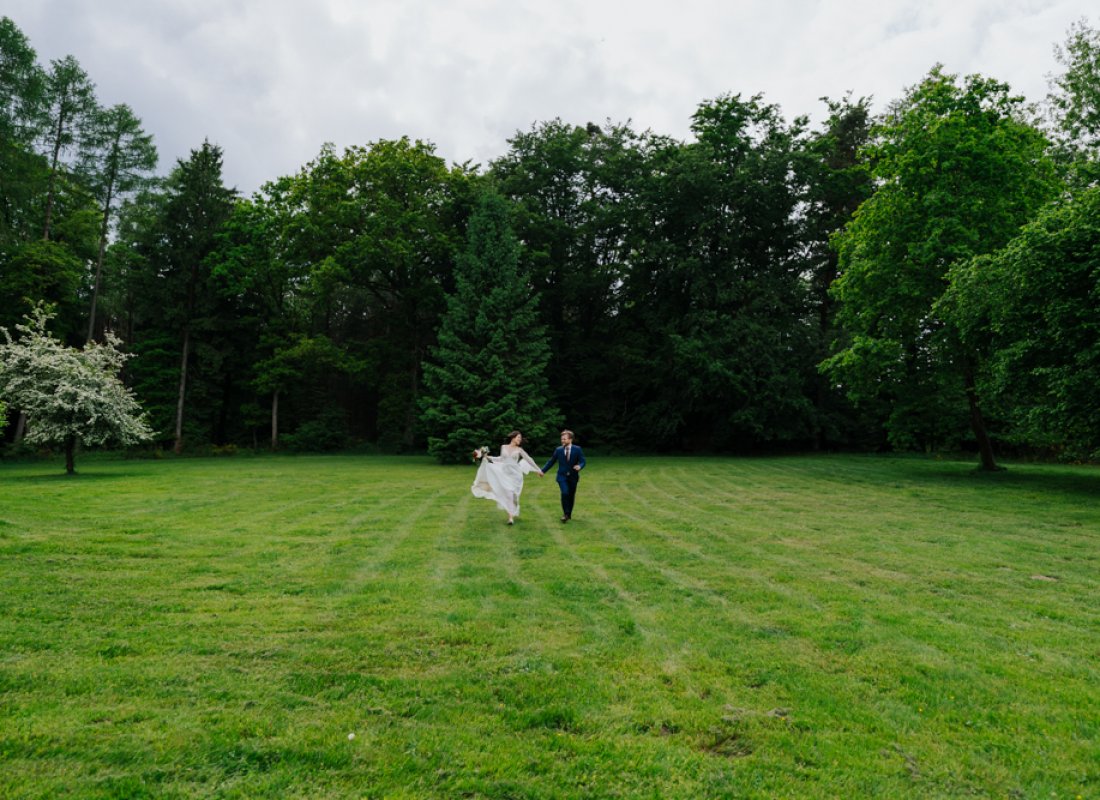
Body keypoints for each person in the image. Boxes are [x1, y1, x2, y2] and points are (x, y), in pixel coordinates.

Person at [471, 431, 543, 525]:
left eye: (520, 438)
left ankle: (514, 509)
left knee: (514, 497)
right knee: (509, 495)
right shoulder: (503, 447)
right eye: (518, 437)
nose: (520, 439)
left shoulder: (519, 450)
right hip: (505, 474)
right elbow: (501, 459)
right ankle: (510, 518)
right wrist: (488, 457)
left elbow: (528, 459)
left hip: (516, 476)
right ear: (513, 438)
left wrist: (538, 469)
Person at [541, 429, 585, 522]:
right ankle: (565, 514)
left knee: (571, 495)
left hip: (573, 476)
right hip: (561, 476)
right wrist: (543, 471)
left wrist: (580, 466)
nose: (562, 441)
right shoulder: (559, 450)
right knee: (565, 493)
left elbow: (583, 461)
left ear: (570, 439)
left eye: (564, 439)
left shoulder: (577, 449)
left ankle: (569, 514)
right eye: (562, 439)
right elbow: (551, 461)